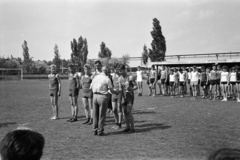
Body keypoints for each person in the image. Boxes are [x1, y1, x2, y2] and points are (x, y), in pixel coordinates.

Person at [90, 66, 118, 136]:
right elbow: (111, 90)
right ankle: (100, 130)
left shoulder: (95, 77)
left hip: (95, 96)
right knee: (102, 115)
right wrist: (117, 92)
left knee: (95, 114)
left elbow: (91, 87)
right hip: (102, 96)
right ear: (106, 71)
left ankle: (94, 130)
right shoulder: (107, 79)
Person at [119, 64, 137, 132]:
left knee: (129, 112)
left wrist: (131, 89)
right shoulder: (120, 78)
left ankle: (132, 128)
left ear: (124, 70)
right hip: (124, 97)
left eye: (120, 70)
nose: (119, 72)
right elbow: (120, 89)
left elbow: (136, 86)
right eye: (119, 70)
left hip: (130, 97)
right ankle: (127, 127)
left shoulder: (130, 77)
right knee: (125, 112)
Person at [111, 65, 123, 130]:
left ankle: (119, 124)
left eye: (118, 69)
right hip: (113, 93)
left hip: (119, 93)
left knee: (119, 109)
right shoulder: (113, 76)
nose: (116, 70)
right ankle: (116, 123)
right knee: (114, 109)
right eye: (115, 69)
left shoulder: (121, 76)